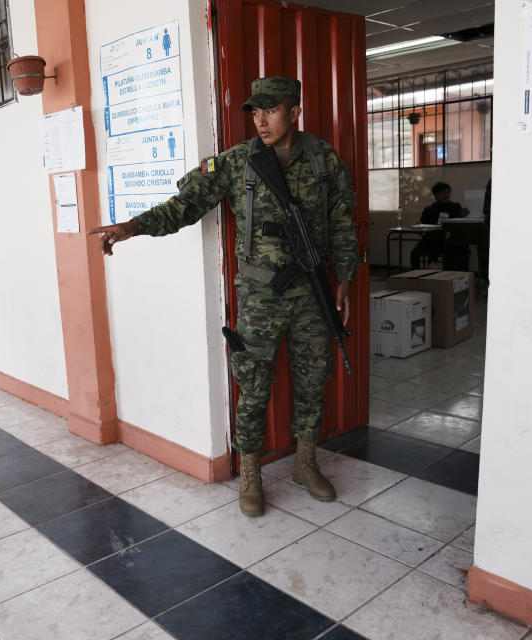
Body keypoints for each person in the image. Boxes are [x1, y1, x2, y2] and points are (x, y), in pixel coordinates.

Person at [89, 77, 357, 517]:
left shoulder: (323, 158)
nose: (261, 120)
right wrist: (130, 226)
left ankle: (306, 464)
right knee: (253, 386)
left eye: (270, 111)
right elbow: (184, 206)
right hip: (260, 298)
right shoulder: (237, 162)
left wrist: (343, 277)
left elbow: (342, 222)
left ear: (295, 111)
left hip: (313, 293)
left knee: (313, 381)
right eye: (255, 112)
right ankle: (251, 473)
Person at [409, 181, 468, 269]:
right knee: (414, 254)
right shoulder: (428, 209)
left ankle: (433, 263)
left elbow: (457, 225)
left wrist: (462, 216)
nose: (446, 195)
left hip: (447, 240)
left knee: (447, 247)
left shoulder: (455, 207)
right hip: (429, 239)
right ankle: (416, 276)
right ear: (435, 195)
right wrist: (419, 225)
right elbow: (422, 225)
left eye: (448, 193)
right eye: (443, 193)